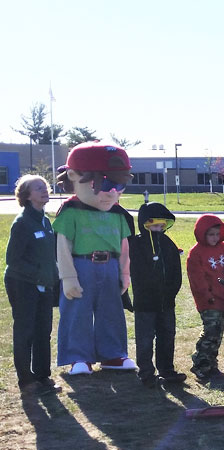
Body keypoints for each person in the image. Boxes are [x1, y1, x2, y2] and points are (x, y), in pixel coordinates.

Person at [54, 142, 136, 375]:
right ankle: (78, 357)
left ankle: (113, 354)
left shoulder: (118, 213)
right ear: (73, 176)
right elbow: (62, 245)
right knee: (77, 310)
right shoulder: (71, 212)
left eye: (119, 184)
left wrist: (125, 273)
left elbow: (124, 246)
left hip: (110, 266)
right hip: (81, 265)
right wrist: (68, 276)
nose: (112, 191)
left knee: (111, 311)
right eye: (103, 183)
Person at [5, 175, 60, 394]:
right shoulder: (22, 222)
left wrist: (52, 277)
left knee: (43, 331)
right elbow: (13, 259)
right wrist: (38, 275)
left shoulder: (45, 220)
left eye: (45, 187)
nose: (44, 190)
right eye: (38, 188)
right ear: (27, 196)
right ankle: (26, 381)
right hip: (23, 284)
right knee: (25, 331)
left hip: (44, 285)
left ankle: (43, 376)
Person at [128, 202, 185, 386]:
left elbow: (176, 271)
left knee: (167, 335)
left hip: (167, 303)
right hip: (145, 303)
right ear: (145, 223)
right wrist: (145, 291)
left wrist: (171, 293)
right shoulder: (135, 244)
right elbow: (135, 271)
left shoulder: (168, 244)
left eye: (162, 225)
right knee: (144, 338)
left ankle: (166, 370)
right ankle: (146, 372)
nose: (158, 229)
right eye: (154, 225)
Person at [187, 214, 224, 383]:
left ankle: (211, 364)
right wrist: (207, 296)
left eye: (216, 234)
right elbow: (197, 279)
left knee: (218, 333)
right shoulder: (196, 253)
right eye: (210, 234)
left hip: (223, 297)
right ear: (202, 233)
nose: (214, 237)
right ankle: (200, 363)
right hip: (209, 300)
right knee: (210, 331)